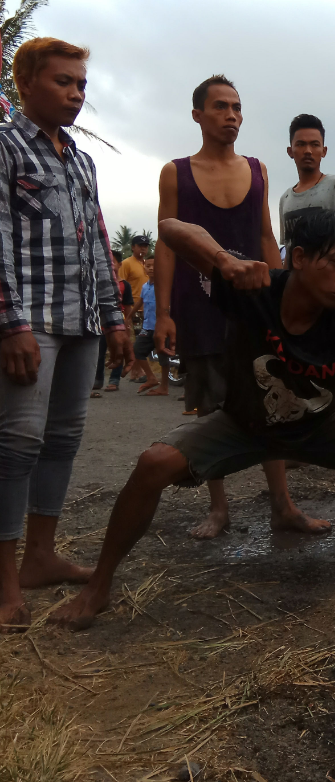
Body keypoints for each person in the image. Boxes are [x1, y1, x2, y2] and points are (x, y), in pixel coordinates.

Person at [51, 211, 335, 630]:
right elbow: (171, 228)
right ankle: (99, 584)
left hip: (321, 425)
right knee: (153, 464)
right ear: (301, 258)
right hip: (242, 426)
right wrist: (222, 261)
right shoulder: (253, 288)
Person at [153, 75, 326, 539]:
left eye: (236, 107)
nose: (231, 116)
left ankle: (283, 505)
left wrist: (284, 294)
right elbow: (167, 247)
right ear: (198, 115)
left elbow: (266, 235)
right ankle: (218, 508)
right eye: (220, 107)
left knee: (270, 399)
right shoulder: (176, 172)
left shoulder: (258, 170)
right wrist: (163, 312)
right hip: (199, 305)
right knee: (211, 406)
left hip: (255, 305)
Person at [0, 37, 132, 631]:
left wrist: (116, 318)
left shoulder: (81, 160)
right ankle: (6, 584)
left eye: (81, 84)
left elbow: (98, 245)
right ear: (25, 83)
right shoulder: (5, 147)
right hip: (30, 320)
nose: (76, 94)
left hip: (82, 322)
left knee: (62, 438)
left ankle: (41, 555)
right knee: (15, 445)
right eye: (63, 82)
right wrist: (10, 324)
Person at [278, 113, 335, 262]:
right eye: (301, 144)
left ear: (324, 151)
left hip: (330, 280)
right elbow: (289, 250)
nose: (308, 151)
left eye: (314, 144)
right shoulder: (285, 199)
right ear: (290, 151)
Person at [91, 250, 133, 396]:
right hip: (100, 325)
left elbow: (128, 307)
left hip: (118, 325)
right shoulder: (95, 283)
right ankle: (97, 379)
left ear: (119, 264)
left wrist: (127, 325)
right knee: (99, 353)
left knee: (118, 352)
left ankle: (114, 380)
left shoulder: (124, 285)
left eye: (112, 262)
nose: (109, 266)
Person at [132, 257, 170, 396]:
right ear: (144, 268)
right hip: (147, 326)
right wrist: (128, 316)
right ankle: (151, 377)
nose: (151, 268)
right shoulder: (145, 286)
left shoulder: (164, 286)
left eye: (154, 265)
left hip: (161, 327)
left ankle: (164, 387)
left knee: (163, 356)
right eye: (148, 266)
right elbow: (139, 302)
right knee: (137, 349)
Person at [118, 235, 151, 383]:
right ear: (133, 247)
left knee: (144, 340)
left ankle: (136, 370)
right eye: (140, 245)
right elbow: (121, 285)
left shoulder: (148, 264)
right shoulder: (126, 264)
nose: (143, 248)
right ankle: (137, 371)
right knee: (139, 340)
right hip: (133, 308)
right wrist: (126, 312)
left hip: (148, 308)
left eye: (145, 246)